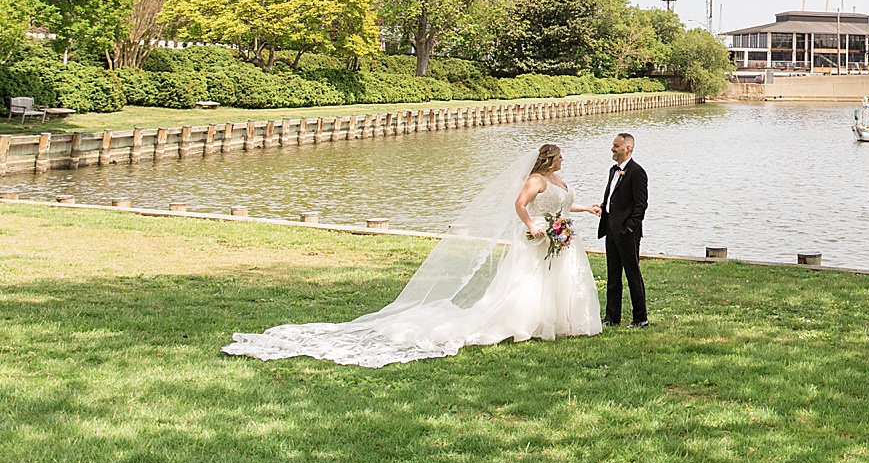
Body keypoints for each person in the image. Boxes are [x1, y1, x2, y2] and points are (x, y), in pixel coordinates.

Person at [221, 142, 602, 366]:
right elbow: (521, 206)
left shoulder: (557, 181)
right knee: (527, 284)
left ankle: (558, 322)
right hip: (536, 237)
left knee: (560, 282)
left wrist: (583, 212)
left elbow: (564, 205)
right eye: (559, 159)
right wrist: (533, 225)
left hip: (562, 236)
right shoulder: (535, 180)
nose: (562, 163)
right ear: (548, 161)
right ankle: (526, 323)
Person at [587, 132, 649, 327]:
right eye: (613, 146)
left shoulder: (637, 172)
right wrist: (604, 207)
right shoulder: (613, 171)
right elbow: (613, 198)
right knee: (613, 275)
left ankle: (640, 318)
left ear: (627, 148)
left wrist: (630, 227)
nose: (612, 149)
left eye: (615, 146)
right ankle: (612, 317)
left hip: (627, 232)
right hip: (611, 230)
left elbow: (641, 204)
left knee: (632, 274)